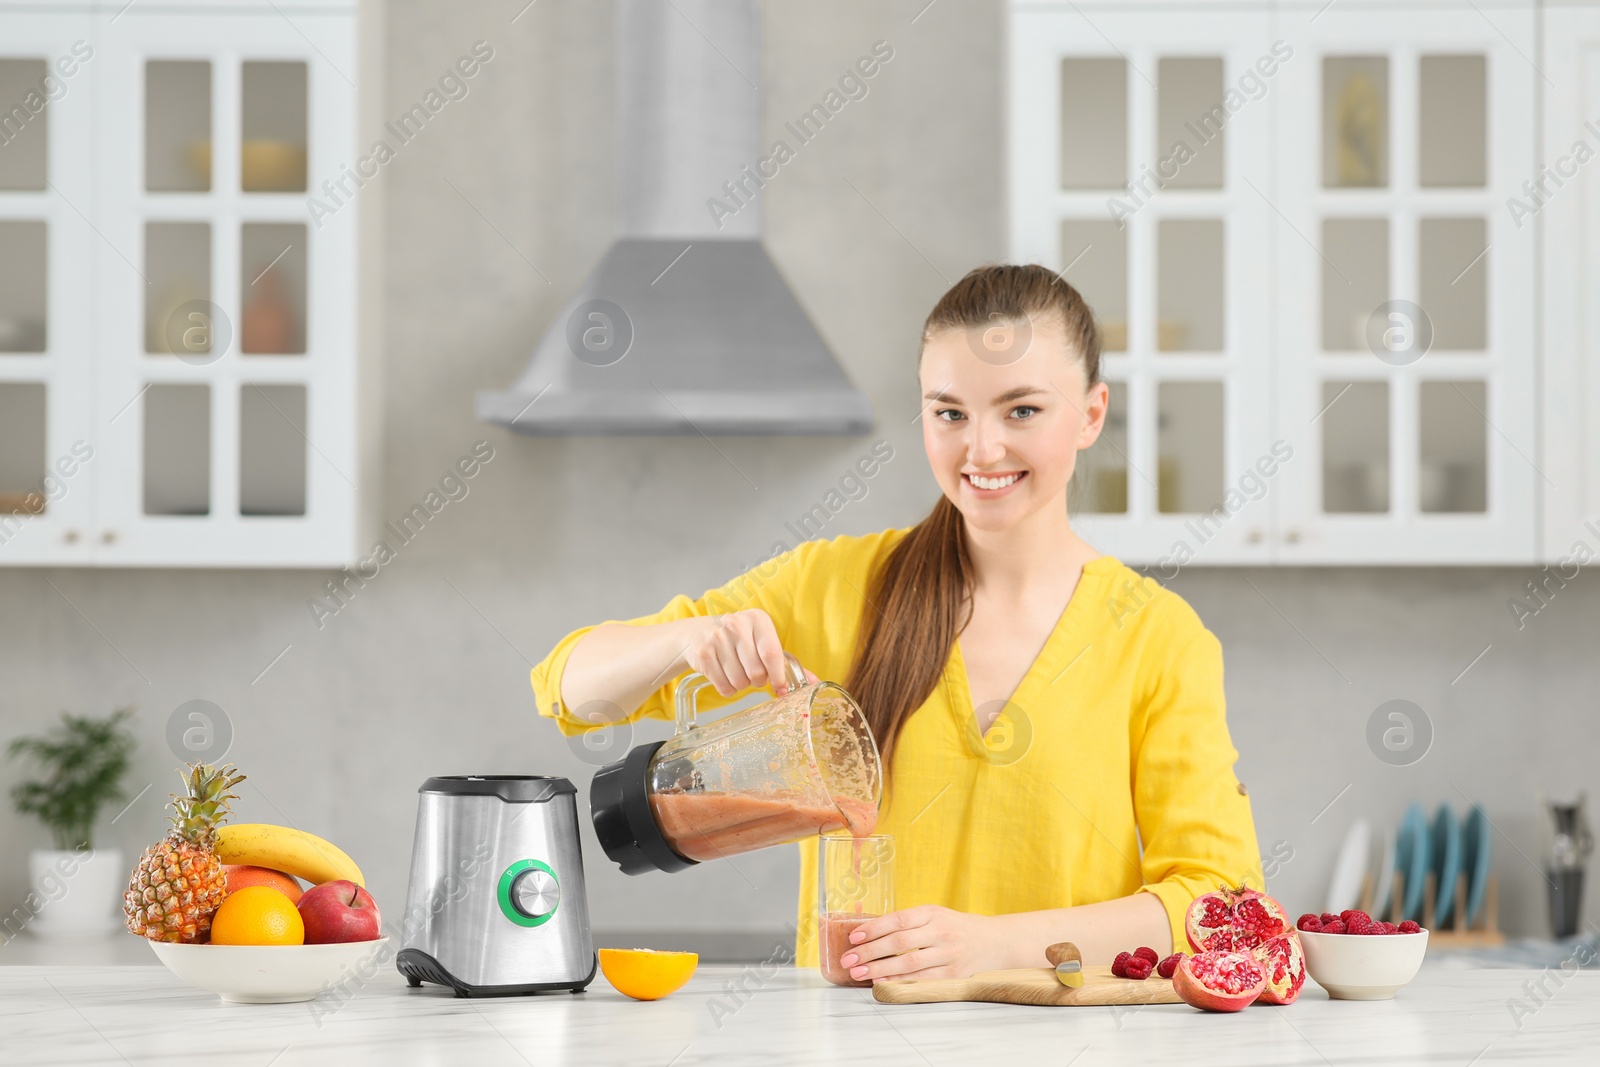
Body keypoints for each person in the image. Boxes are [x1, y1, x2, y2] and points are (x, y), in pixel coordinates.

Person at [532, 264, 1262, 981]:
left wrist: (995, 945)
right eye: (950, 412)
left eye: (1023, 410)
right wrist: (681, 641)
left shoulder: (1158, 637)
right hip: (856, 1042)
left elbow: (1214, 900)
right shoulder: (831, 586)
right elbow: (569, 687)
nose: (981, 449)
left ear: (1092, 414)